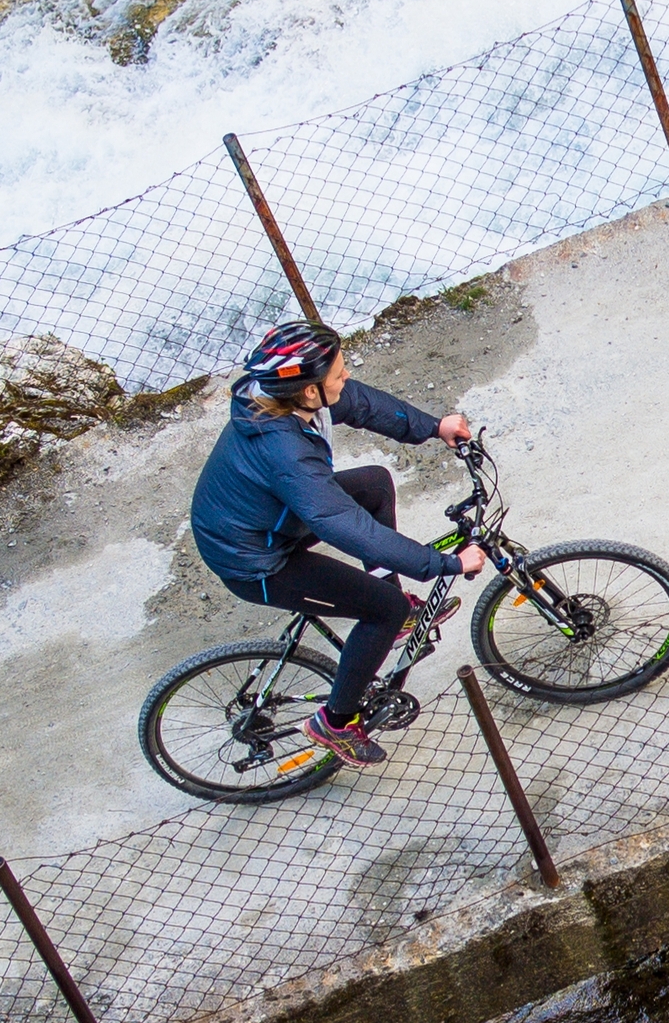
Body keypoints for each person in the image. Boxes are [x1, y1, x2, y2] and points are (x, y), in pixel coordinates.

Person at [187, 319, 488, 767]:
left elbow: (360, 402)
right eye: (338, 374)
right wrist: (442, 564)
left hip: (269, 520)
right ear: (310, 391)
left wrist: (433, 426)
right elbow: (342, 524)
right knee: (380, 609)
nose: (346, 377)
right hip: (255, 561)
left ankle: (397, 605)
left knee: (374, 485)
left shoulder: (285, 397)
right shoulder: (283, 449)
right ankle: (336, 722)